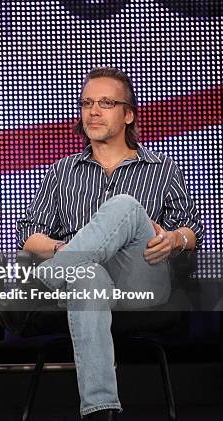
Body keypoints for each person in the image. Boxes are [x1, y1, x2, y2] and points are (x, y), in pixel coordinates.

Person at [15, 67, 203, 420]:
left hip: (141, 281)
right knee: (88, 276)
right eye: (87, 103)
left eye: (106, 103)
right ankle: (100, 410)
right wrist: (63, 251)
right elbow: (28, 234)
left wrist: (175, 239)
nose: (93, 111)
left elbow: (193, 228)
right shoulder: (62, 171)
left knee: (126, 206)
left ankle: (34, 291)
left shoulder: (161, 168)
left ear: (128, 114)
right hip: (85, 283)